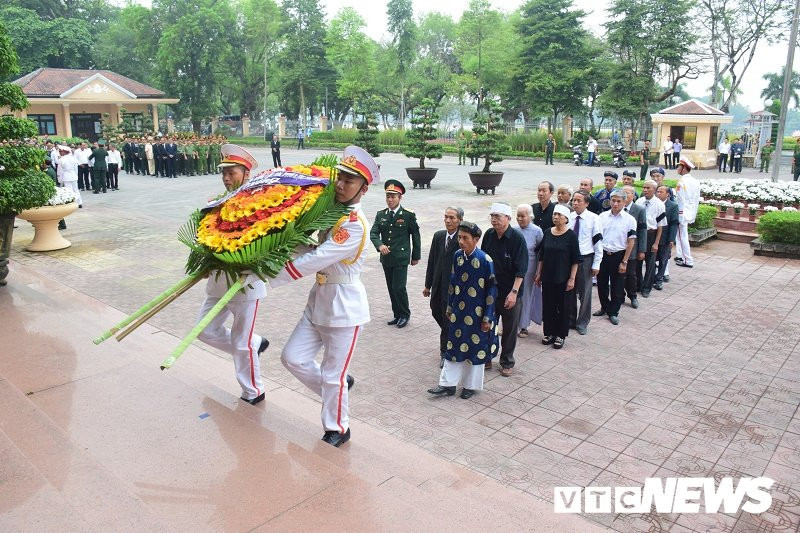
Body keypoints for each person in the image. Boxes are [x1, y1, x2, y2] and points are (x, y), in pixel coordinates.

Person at [272, 145, 378, 447]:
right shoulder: (331, 213)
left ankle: (338, 427)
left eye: (350, 181)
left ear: (364, 188)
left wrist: (269, 279)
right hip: (318, 300)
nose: (342, 186)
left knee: (332, 373)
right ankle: (338, 390)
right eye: (340, 178)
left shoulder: (353, 226)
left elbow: (318, 259)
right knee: (292, 357)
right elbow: (313, 251)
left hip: (344, 308)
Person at [195, 144, 270, 407]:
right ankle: (254, 345)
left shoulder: (261, 206)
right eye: (223, 172)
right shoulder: (216, 204)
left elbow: (271, 243)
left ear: (246, 173)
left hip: (245, 284)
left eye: (232, 172)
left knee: (241, 341)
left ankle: (253, 390)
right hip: (218, 282)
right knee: (204, 330)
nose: (226, 177)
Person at [427, 221, 498, 399]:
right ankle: (447, 385)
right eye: (459, 237)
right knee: (453, 348)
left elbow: (491, 291)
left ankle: (470, 386)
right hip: (459, 312)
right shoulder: (458, 256)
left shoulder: (485, 260)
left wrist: (487, 318)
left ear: (476, 239)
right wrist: (450, 307)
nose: (461, 241)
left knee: (475, 349)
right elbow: (453, 283)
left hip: (478, 315)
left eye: (465, 238)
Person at [480, 202, 527, 377]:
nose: (494, 220)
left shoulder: (517, 239)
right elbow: (484, 260)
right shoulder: (489, 235)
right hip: (492, 290)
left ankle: (507, 361)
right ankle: (486, 357)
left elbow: (521, 269)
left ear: (508, 218)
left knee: (509, 328)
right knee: (488, 325)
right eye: (492, 216)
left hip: (510, 291)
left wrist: (513, 293)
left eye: (497, 216)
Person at [370, 179, 421, 328]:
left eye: (393, 196)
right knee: (391, 288)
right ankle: (397, 314)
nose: (390, 200)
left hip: (401, 258)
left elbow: (415, 236)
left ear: (400, 198)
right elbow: (373, 233)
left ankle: (405, 314)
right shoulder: (381, 214)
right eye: (388, 196)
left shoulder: (408, 215)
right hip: (386, 259)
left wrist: (416, 256)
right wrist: (380, 245)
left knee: (399, 287)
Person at [535, 204, 580, 349]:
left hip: (563, 277)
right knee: (548, 305)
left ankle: (561, 334)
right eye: (554, 214)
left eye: (559, 215)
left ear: (566, 218)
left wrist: (572, 278)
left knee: (563, 306)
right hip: (547, 276)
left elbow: (575, 260)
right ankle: (549, 332)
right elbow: (542, 255)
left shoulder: (571, 236)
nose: (555, 217)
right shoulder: (548, 232)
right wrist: (538, 273)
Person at [424, 207, 463, 365]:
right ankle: (452, 335)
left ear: (460, 220)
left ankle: (445, 352)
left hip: (453, 287)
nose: (448, 221)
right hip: (438, 285)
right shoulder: (439, 236)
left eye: (452, 218)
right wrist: (427, 285)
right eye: (446, 217)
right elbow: (432, 261)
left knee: (448, 320)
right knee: (436, 311)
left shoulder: (462, 238)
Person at [593, 191, 637, 325]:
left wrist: (624, 261)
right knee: (601, 283)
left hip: (619, 255)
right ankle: (604, 307)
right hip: (603, 254)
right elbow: (597, 237)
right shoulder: (602, 216)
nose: (615, 204)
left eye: (618, 201)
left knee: (617, 286)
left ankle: (613, 312)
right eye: (613, 200)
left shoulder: (630, 220)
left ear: (624, 202)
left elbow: (631, 241)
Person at [568, 191, 602, 335]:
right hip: (569, 260)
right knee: (569, 292)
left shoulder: (594, 218)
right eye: (573, 200)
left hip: (585, 259)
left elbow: (598, 242)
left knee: (585, 293)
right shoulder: (569, 217)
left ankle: (582, 322)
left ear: (587, 203)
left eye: (578, 201)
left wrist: (596, 263)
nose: (575, 203)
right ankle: (570, 319)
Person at [513, 204, 543, 339]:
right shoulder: (514, 230)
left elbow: (540, 253)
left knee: (526, 296)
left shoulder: (537, 231)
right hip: (515, 268)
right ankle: (511, 324)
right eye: (518, 216)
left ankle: (524, 326)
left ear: (530, 217)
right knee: (512, 295)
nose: (520, 219)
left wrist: (538, 271)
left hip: (530, 267)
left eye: (522, 216)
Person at [635, 180, 666, 297]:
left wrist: (656, 243)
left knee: (650, 263)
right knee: (637, 261)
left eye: (648, 188)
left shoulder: (659, 204)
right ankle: (638, 284)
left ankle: (647, 288)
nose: (645, 190)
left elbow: (661, 225)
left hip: (651, 235)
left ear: (654, 189)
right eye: (644, 188)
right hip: (639, 235)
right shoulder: (639, 201)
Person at [622, 185, 647, 309]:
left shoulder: (639, 210)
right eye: (623, 193)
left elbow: (642, 230)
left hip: (633, 248)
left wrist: (642, 249)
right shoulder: (617, 208)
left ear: (633, 196)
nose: (625, 196)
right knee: (618, 275)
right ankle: (619, 296)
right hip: (618, 247)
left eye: (627, 193)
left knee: (631, 274)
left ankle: (633, 296)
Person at [674, 156, 700, 268]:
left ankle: (687, 260)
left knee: (682, 237)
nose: (677, 168)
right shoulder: (695, 181)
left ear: (684, 168)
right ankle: (680, 255)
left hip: (683, 212)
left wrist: (679, 215)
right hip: (690, 211)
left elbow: (680, 200)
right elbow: (696, 200)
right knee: (681, 236)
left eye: (679, 166)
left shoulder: (681, 182)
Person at [654, 185, 679, 291]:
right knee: (652, 260)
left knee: (663, 260)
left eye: (661, 192)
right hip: (653, 236)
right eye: (657, 191)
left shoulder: (672, 206)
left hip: (665, 237)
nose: (658, 193)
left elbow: (674, 224)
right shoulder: (653, 204)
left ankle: (659, 280)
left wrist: (671, 239)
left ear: (667, 194)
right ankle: (651, 278)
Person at [56, 144, 82, 209]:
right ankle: (79, 202)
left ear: (64, 152)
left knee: (69, 190)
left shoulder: (61, 160)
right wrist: (76, 175)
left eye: (60, 151)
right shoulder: (73, 158)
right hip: (73, 175)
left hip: (66, 176)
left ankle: (72, 203)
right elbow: (76, 169)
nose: (59, 152)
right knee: (76, 189)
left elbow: (60, 171)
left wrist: (60, 179)